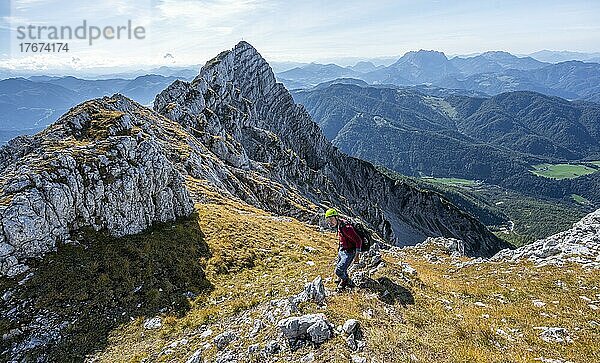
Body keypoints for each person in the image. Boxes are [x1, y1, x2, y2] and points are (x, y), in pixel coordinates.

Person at [325, 208, 362, 290]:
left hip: (349, 252)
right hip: (342, 249)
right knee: (342, 268)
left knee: (338, 270)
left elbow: (358, 240)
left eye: (331, 219)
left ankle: (345, 280)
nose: (330, 222)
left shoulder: (347, 228)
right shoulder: (339, 224)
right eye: (328, 220)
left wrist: (357, 256)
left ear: (336, 217)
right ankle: (342, 277)